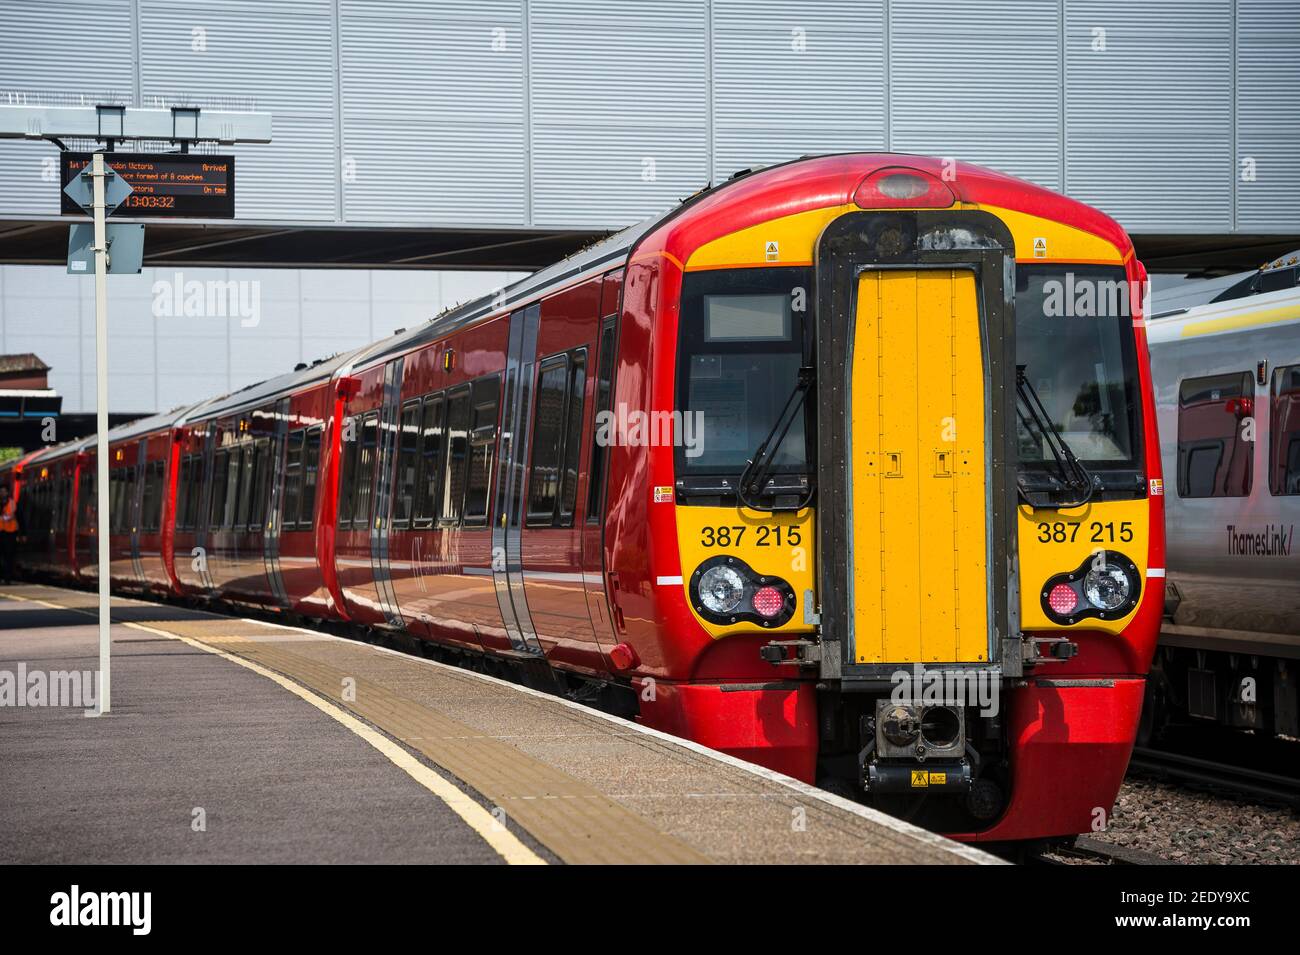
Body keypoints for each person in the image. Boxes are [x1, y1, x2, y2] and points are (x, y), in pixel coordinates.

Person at [0, 484, 16, 583]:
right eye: (1, 492)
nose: (2, 493)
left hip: (10, 532)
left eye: (4, 491)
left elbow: (13, 515)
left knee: (8, 556)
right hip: (1, 532)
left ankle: (7, 577)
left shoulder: (12, 503)